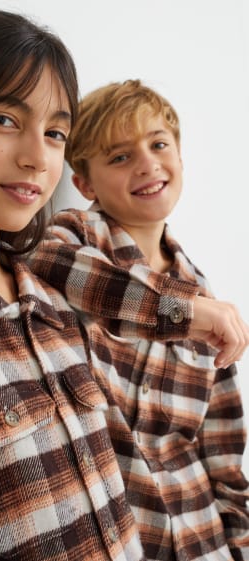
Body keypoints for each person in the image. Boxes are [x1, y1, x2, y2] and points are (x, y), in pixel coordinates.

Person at [0, 12, 246, 561]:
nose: (36, 155)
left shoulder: (50, 304)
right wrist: (186, 313)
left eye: (54, 133)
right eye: (4, 118)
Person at [28, 79, 249, 560]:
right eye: (120, 156)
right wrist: (184, 313)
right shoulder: (74, 239)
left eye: (158, 144)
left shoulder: (204, 293)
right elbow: (53, 265)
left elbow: (223, 449)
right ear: (84, 183)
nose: (147, 164)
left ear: (181, 158)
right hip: (112, 534)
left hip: (200, 539)